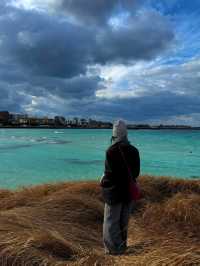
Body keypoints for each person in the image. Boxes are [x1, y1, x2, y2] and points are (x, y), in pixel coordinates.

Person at [100, 120, 140, 255]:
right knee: (123, 221)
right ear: (126, 134)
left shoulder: (111, 151)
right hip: (128, 191)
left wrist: (103, 182)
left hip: (114, 192)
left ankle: (113, 251)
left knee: (111, 222)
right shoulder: (134, 150)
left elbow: (109, 175)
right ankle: (122, 247)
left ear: (114, 134)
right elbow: (136, 173)